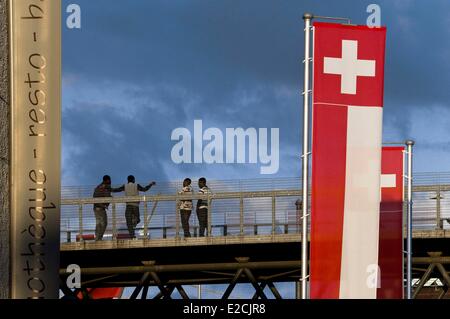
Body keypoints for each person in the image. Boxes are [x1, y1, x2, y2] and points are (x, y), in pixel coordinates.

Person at [93, 175, 123, 241]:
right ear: (106, 180)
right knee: (104, 223)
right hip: (100, 208)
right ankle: (99, 238)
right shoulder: (106, 186)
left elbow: (96, 196)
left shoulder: (98, 187)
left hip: (96, 208)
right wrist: (122, 188)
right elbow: (113, 190)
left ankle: (97, 238)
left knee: (99, 223)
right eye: (109, 180)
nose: (111, 181)